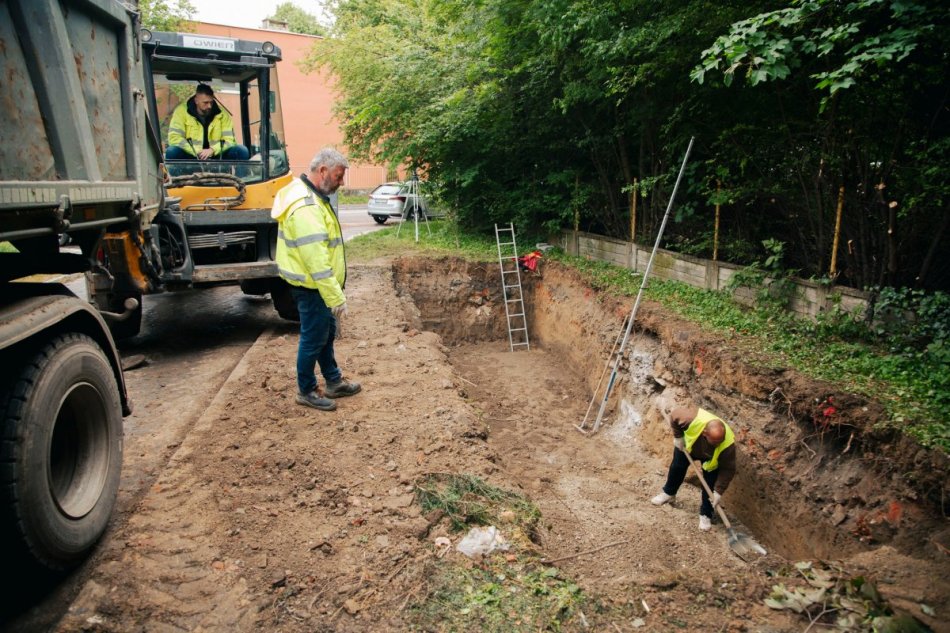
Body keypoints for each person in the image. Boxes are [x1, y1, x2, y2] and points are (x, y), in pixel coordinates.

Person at [271, 147, 361, 411]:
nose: (341, 182)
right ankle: (306, 389)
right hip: (312, 287)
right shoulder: (306, 206)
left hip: (316, 285)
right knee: (313, 338)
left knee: (326, 333)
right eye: (338, 176)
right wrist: (336, 297)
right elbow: (317, 261)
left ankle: (333, 380)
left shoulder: (312, 195)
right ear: (322, 171)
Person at [650, 404, 737, 531]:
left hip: (710, 460)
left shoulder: (727, 445)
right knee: (677, 468)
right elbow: (674, 415)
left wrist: (718, 491)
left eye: (720, 442)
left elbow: (728, 469)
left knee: (710, 485)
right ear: (704, 433)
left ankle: (706, 514)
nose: (718, 445)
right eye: (714, 442)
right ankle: (669, 493)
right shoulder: (690, 419)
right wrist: (678, 437)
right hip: (688, 446)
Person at [165, 84, 250, 161]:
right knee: (172, 151)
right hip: (191, 154)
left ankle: (241, 178)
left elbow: (230, 140)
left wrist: (212, 150)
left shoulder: (222, 114)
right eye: (205, 103)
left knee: (242, 151)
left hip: (216, 154)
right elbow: (174, 138)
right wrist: (197, 151)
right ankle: (176, 178)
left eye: (211, 102)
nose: (209, 106)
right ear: (196, 100)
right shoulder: (181, 112)